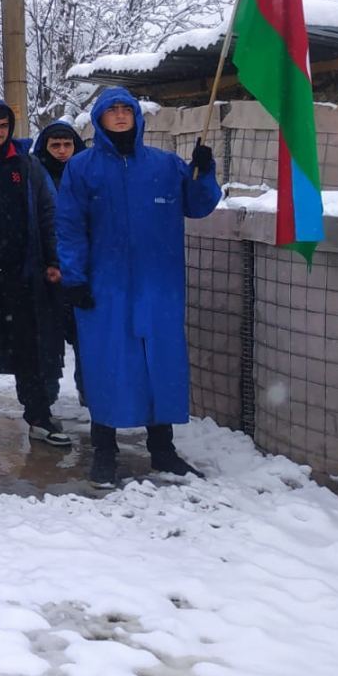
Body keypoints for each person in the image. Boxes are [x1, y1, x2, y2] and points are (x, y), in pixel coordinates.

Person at [57, 88, 220, 488]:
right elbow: (70, 227)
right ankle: (105, 451)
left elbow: (198, 205)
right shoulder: (82, 169)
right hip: (105, 286)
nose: (119, 115)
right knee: (106, 366)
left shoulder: (165, 166)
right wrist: (75, 278)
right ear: (99, 119)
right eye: (111, 110)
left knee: (160, 365)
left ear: (136, 116)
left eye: (125, 109)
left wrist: (203, 172)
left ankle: (162, 449)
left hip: (157, 285)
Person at [0, 98, 70, 450]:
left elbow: (48, 214)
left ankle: (39, 415)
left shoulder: (26, 165)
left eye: (2, 127)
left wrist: (52, 260)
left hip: (22, 274)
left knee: (29, 348)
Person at [33, 120, 87, 407]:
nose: (62, 151)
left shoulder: (86, 173)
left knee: (84, 337)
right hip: (47, 268)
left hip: (81, 267)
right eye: (55, 145)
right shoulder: (35, 175)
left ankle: (87, 390)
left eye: (67, 145)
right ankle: (46, 395)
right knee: (48, 338)